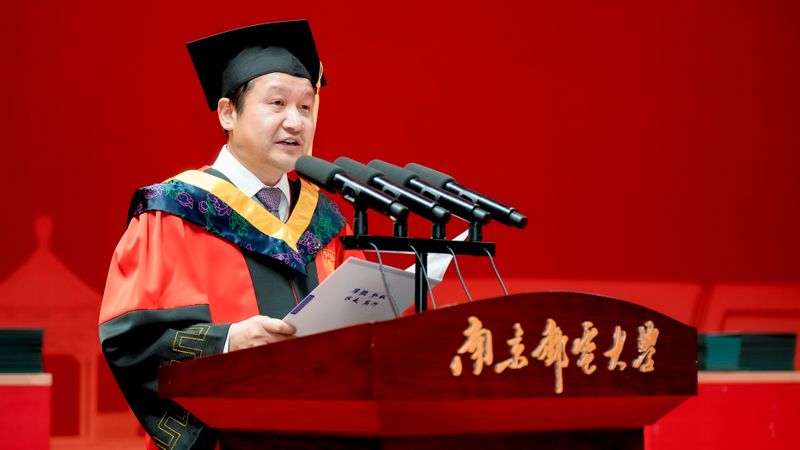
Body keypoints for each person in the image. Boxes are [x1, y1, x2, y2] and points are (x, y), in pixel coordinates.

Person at [98, 20, 359, 450]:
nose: (295, 121)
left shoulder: (327, 220)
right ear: (228, 114)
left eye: (306, 106)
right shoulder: (173, 212)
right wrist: (226, 342)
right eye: (277, 103)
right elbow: (132, 341)